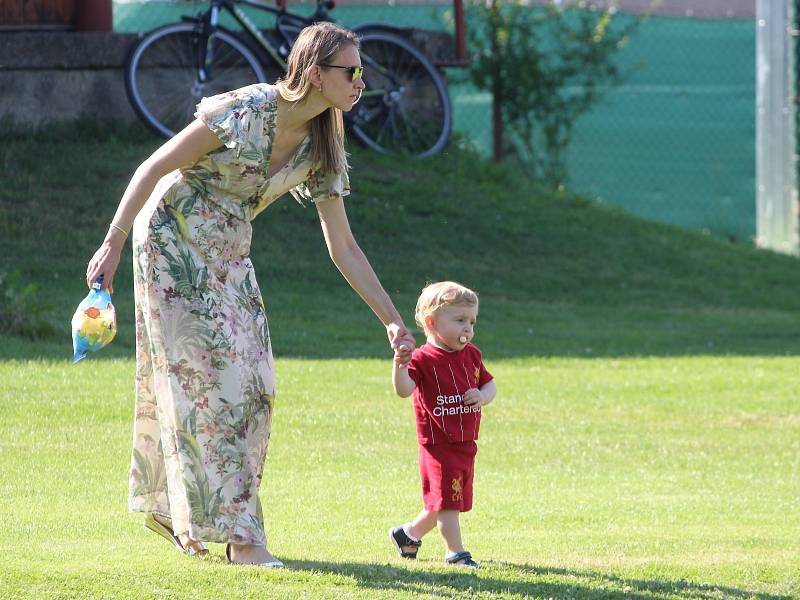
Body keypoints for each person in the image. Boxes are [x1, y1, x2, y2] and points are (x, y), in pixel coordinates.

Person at [85, 22, 415, 567]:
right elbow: (155, 167)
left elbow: (345, 247)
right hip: (170, 239)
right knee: (211, 386)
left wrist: (391, 320)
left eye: (362, 72)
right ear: (314, 73)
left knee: (256, 386)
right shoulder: (251, 108)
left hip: (230, 252)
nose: (361, 82)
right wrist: (112, 244)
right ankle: (243, 539)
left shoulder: (323, 143)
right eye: (350, 71)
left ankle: (196, 518)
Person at [389, 281, 496, 569]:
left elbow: (490, 383)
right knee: (449, 504)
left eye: (471, 322)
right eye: (460, 320)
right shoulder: (423, 358)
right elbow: (403, 389)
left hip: (465, 442)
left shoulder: (471, 354)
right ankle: (456, 552)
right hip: (438, 444)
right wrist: (400, 364)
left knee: (445, 500)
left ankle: (407, 535)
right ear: (432, 322)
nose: (468, 329)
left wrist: (482, 396)